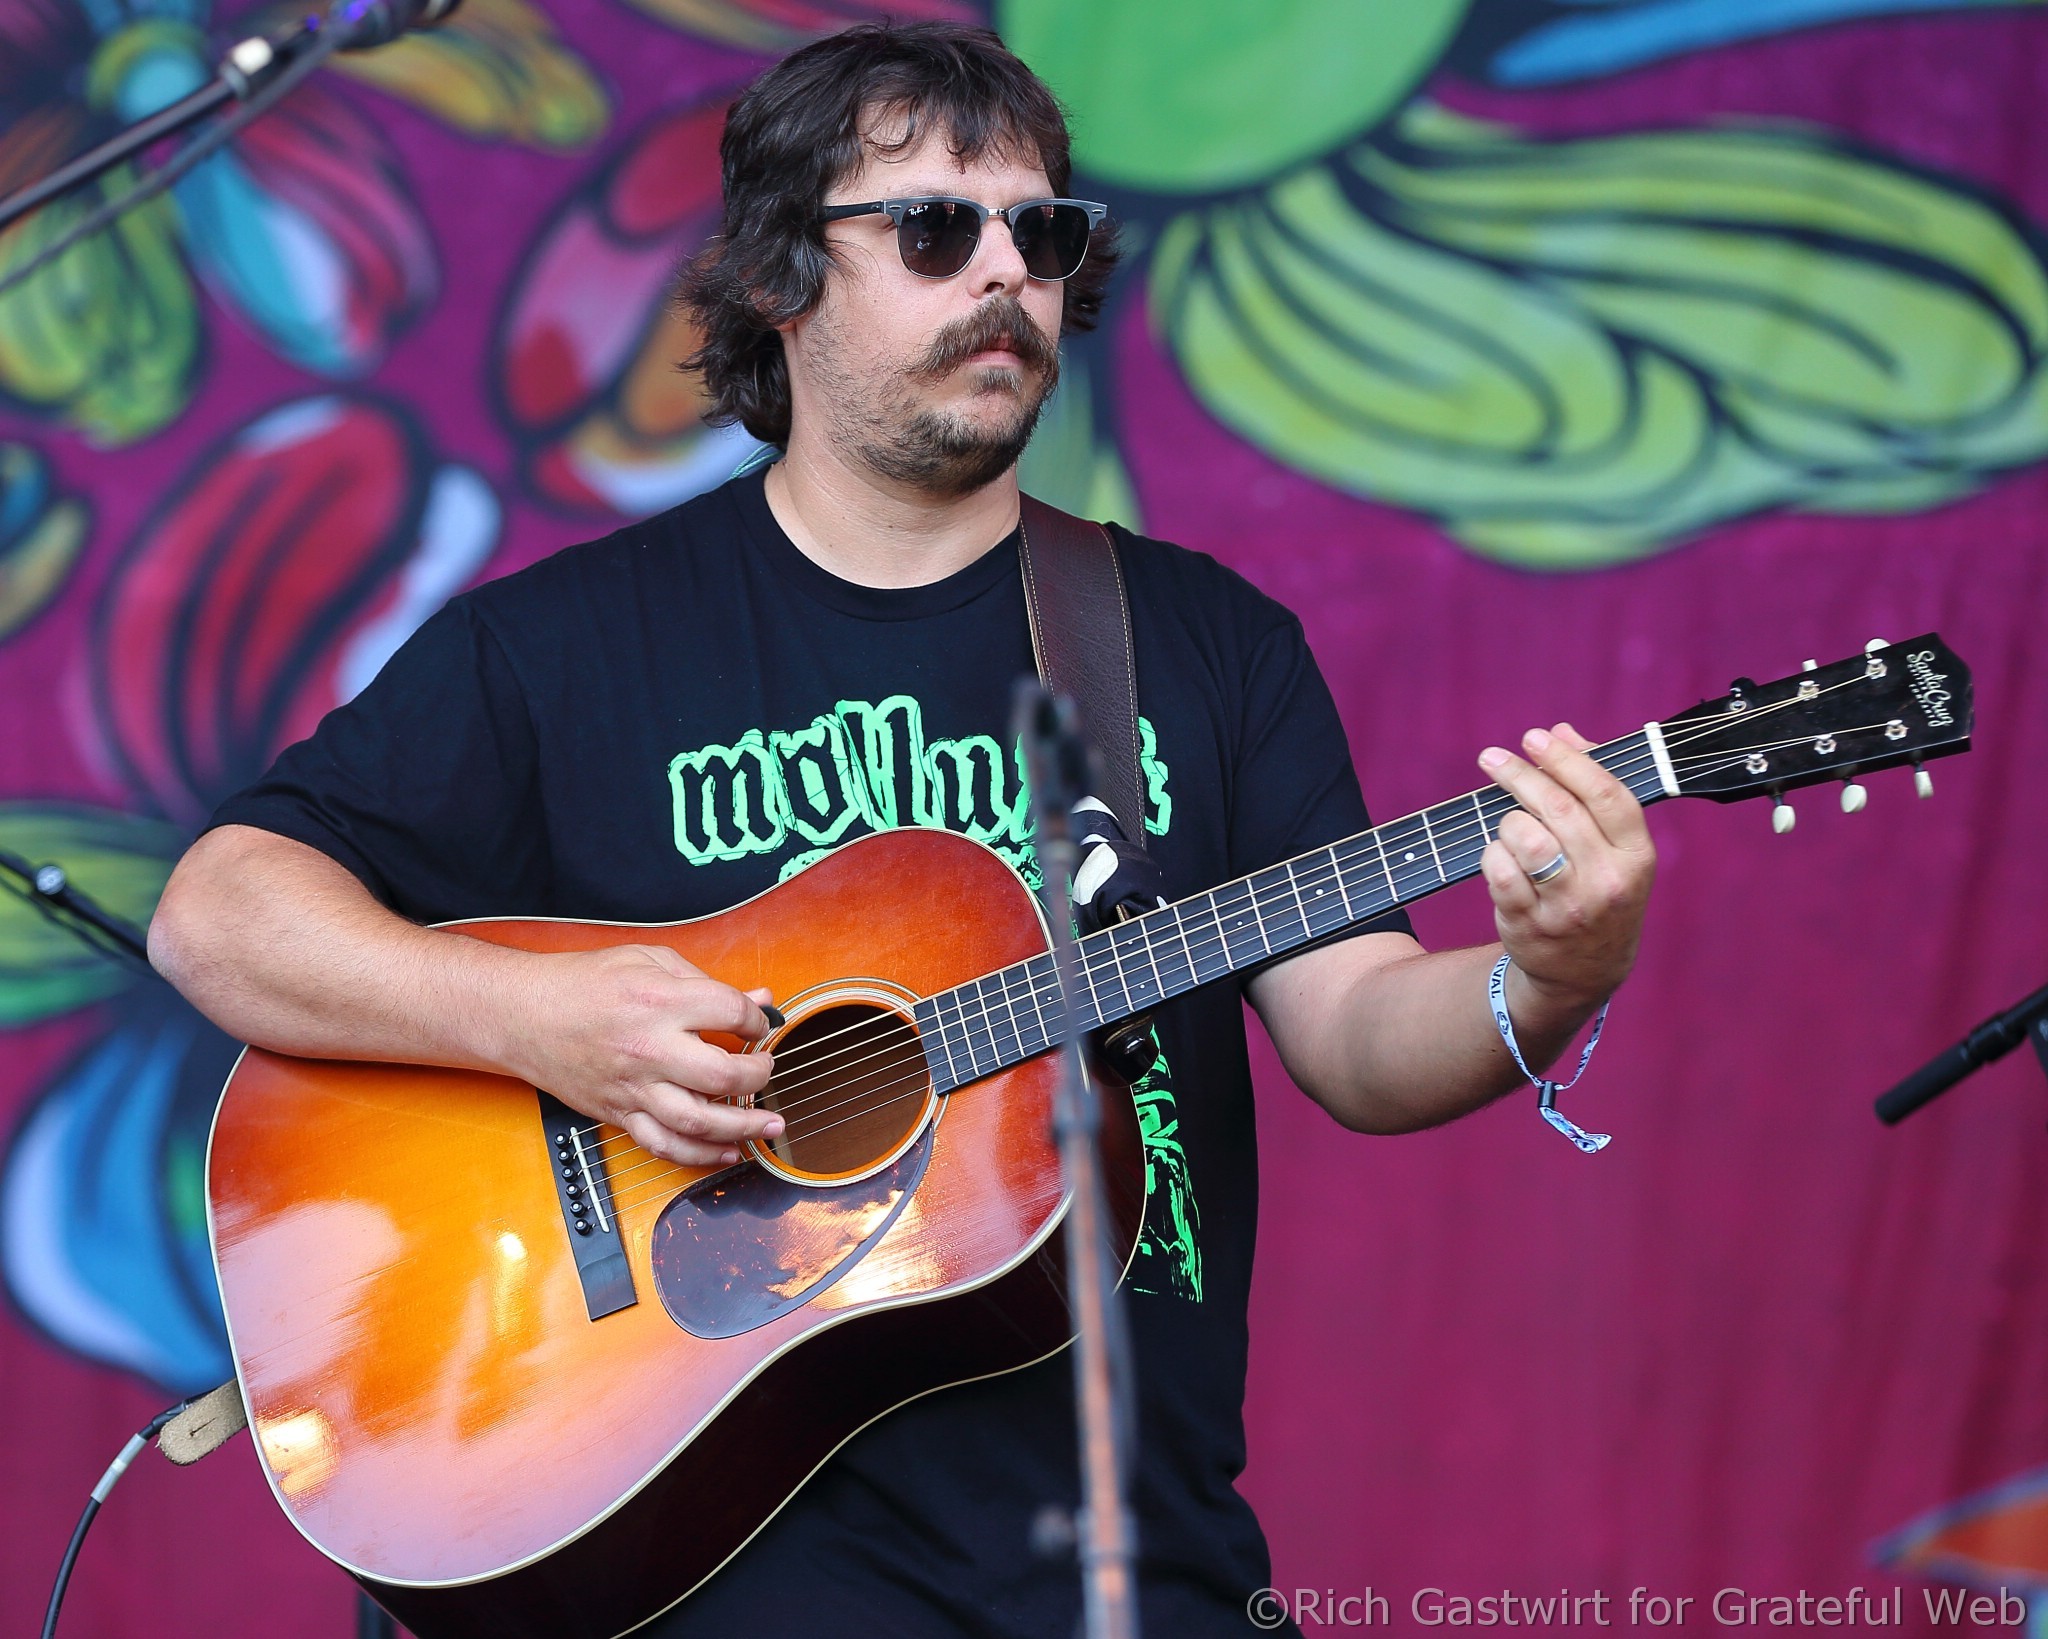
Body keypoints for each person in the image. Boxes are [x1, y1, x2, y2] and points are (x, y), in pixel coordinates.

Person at [149, 20, 1655, 1637]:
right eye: (937, 227)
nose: (1007, 271)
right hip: (703, 1588)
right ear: (781, 277)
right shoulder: (558, 646)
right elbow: (219, 914)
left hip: (1123, 1569)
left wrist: (1550, 975)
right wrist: (539, 1020)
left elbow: (1357, 1034)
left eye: (1041, 233)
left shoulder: (1200, 642)